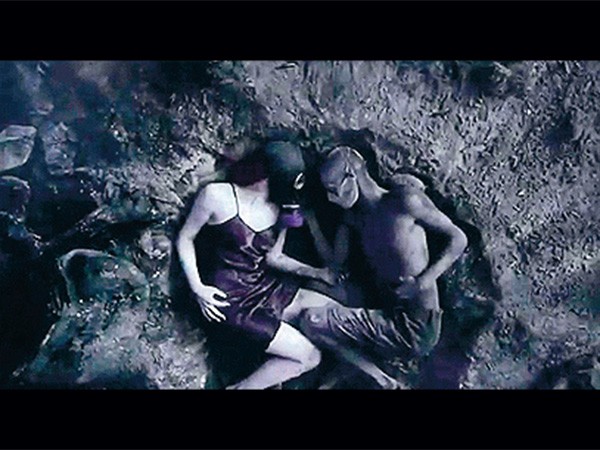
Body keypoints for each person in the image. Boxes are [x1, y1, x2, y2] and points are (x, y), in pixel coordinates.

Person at [298, 146, 468, 388]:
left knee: (312, 321)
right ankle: (355, 359)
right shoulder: (355, 218)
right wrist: (311, 221)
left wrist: (423, 282)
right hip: (381, 305)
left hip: (414, 326)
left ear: (351, 176)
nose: (330, 198)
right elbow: (334, 264)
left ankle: (382, 380)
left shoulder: (405, 202)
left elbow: (458, 238)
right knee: (316, 288)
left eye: (333, 189)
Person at [176, 141, 337, 389]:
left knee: (332, 309)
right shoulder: (217, 196)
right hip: (230, 302)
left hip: (264, 285)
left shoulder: (281, 208)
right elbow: (185, 238)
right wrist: (198, 287)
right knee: (309, 357)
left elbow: (274, 257)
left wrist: (318, 273)